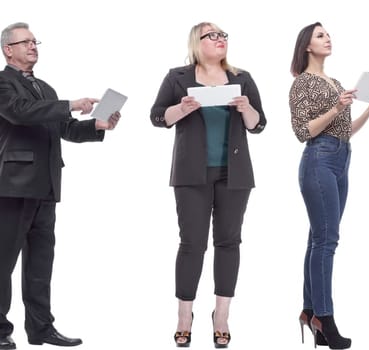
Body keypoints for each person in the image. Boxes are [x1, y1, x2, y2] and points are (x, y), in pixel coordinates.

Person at [0, 22, 120, 350]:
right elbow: (18, 112)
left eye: (35, 41)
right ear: (8, 49)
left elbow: (66, 129)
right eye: (25, 42)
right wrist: (70, 103)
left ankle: (41, 328)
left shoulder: (45, 87)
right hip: (14, 184)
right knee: (3, 261)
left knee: (41, 261)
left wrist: (97, 125)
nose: (33, 46)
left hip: (46, 184)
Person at [150, 22, 266, 348]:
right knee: (192, 244)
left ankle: (222, 315)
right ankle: (184, 316)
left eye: (223, 35)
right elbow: (158, 116)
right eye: (212, 35)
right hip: (191, 174)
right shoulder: (178, 77)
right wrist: (181, 108)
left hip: (235, 173)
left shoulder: (242, 78)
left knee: (229, 242)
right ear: (196, 42)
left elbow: (259, 124)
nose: (220, 40)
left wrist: (247, 109)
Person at [288, 22, 369, 350]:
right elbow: (304, 131)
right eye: (320, 35)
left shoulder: (336, 81)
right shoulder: (303, 83)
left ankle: (309, 310)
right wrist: (337, 107)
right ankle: (325, 319)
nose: (327, 38)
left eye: (328, 34)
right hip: (318, 161)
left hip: (341, 157)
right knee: (327, 241)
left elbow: (344, 130)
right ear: (306, 46)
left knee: (318, 239)